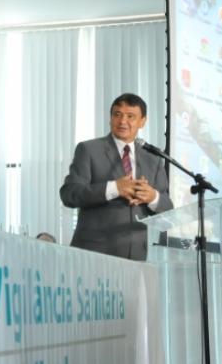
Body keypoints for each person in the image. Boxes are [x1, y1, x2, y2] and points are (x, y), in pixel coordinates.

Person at [60, 93, 173, 260]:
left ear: (142, 121)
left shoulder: (152, 159)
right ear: (110, 118)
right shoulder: (89, 150)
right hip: (95, 253)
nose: (122, 121)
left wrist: (153, 197)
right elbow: (69, 194)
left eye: (130, 116)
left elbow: (167, 208)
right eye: (117, 115)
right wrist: (114, 188)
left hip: (136, 256)